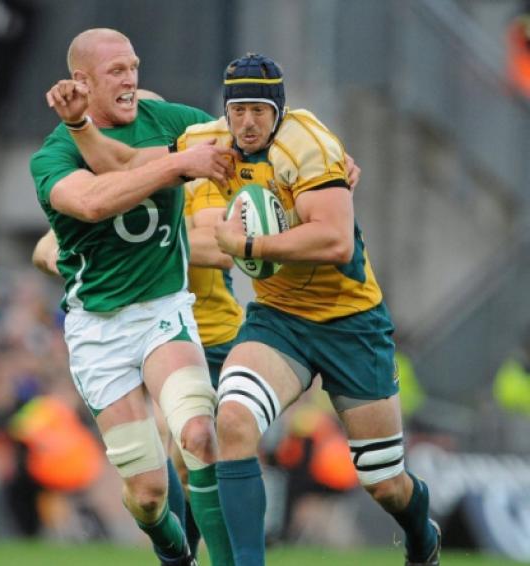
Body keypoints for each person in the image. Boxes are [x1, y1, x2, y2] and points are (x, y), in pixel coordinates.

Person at [202, 53, 440, 566]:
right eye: (237, 109)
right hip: (279, 321)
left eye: (259, 111)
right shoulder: (212, 142)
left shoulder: (308, 143)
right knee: (235, 420)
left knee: (383, 483)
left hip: (349, 323)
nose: (246, 122)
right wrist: (82, 127)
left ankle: (422, 533)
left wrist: (251, 247)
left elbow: (335, 240)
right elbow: (152, 137)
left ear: (279, 110)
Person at [29, 28, 238, 565]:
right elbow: (97, 201)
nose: (131, 79)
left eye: (134, 66)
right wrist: (175, 165)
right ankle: (173, 552)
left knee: (199, 434)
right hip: (98, 330)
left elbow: (249, 136)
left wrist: (321, 170)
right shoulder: (51, 157)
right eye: (116, 70)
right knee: (148, 495)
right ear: (81, 81)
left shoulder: (168, 120)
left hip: (163, 310)